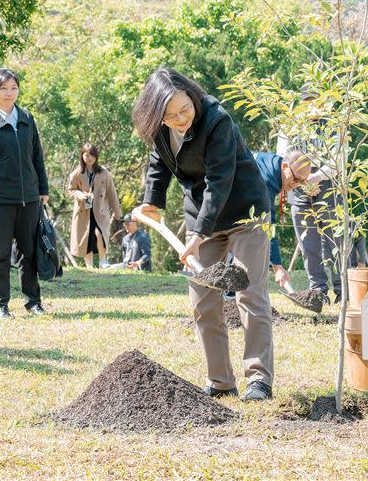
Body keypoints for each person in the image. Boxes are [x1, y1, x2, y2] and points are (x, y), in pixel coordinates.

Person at [132, 68, 274, 401]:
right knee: (203, 300)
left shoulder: (217, 120)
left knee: (248, 293)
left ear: (193, 97)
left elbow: (219, 181)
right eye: (171, 116)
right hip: (202, 216)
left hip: (246, 212)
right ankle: (220, 381)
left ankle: (259, 380)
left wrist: (198, 234)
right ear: (156, 116)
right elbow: (158, 162)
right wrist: (152, 201)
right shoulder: (160, 128)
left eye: (185, 110)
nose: (181, 119)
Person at [0, 67, 49, 319]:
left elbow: (37, 156)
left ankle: (33, 302)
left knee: (29, 252)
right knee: (0, 253)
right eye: (4, 88)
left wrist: (43, 189)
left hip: (29, 198)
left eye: (14, 88)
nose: (10, 93)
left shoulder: (27, 118)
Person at [276, 86, 342, 303]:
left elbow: (339, 159)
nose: (313, 106)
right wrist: (301, 181)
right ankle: (318, 289)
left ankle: (343, 290)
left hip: (327, 185)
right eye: (308, 101)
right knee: (308, 242)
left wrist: (317, 177)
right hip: (298, 187)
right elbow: (281, 156)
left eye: (317, 101)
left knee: (336, 238)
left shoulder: (334, 124)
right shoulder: (289, 124)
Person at [252, 149, 312, 289]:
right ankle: (230, 299)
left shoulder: (274, 164)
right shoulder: (267, 180)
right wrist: (277, 267)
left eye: (302, 182)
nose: (297, 185)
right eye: (296, 179)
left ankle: (230, 298)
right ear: (285, 167)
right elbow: (267, 224)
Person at [68, 143, 122, 268]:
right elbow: (71, 190)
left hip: (100, 211)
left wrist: (118, 212)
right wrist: (80, 195)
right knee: (87, 237)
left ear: (96, 156)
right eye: (86, 155)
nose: (89, 158)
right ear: (82, 156)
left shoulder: (104, 173)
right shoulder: (77, 173)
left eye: (92, 155)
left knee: (100, 234)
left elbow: (112, 193)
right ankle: (89, 265)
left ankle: (103, 260)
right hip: (83, 211)